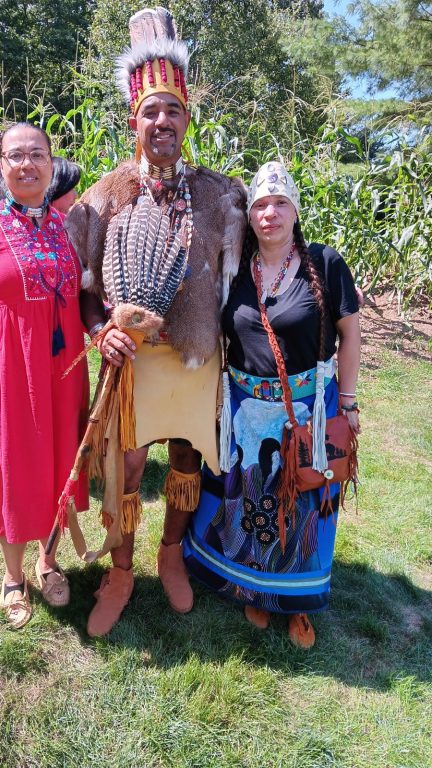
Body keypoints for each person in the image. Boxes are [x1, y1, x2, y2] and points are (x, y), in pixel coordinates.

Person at [65, 7, 246, 637]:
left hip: (196, 355)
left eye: (173, 110)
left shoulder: (222, 194)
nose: (162, 122)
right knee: (128, 466)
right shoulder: (105, 195)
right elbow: (84, 288)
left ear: (187, 118)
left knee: (185, 459)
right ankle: (120, 570)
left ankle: (170, 553)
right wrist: (99, 331)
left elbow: (251, 276)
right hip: (131, 361)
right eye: (151, 112)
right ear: (133, 121)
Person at [183, 161, 361, 649]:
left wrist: (347, 400)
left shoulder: (324, 264)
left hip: (307, 411)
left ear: (295, 211)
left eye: (280, 203)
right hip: (245, 411)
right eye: (260, 204)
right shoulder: (235, 268)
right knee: (252, 503)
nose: (269, 214)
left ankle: (300, 605)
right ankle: (256, 591)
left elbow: (350, 334)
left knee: (306, 502)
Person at [0, 123, 103, 629]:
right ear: (1, 165)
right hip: (8, 374)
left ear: (51, 163)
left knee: (59, 464)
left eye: (37, 154)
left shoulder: (62, 226)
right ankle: (12, 576)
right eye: (16, 156)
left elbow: (81, 298)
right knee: (13, 468)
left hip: (64, 370)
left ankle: (48, 559)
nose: (27, 164)